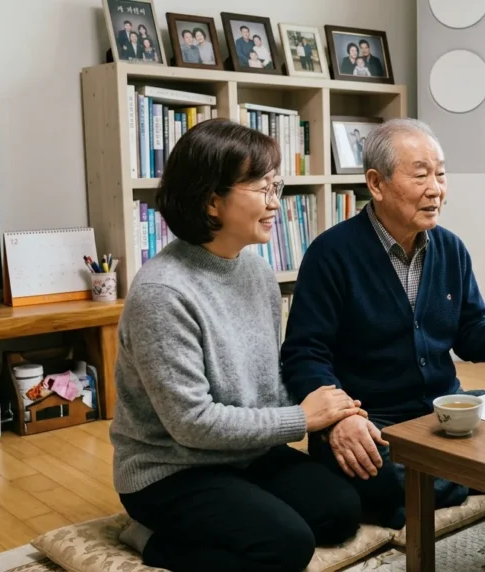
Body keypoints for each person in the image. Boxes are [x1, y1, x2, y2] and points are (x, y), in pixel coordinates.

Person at [281, 118, 485, 530]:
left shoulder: (450, 248)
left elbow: (469, 336)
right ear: (376, 183)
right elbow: (303, 355)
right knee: (378, 471)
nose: (435, 189)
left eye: (440, 174)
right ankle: (478, 477)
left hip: (444, 410)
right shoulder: (331, 254)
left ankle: (435, 484)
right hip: (370, 420)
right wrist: (341, 419)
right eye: (420, 175)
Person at [110, 119, 364, 572]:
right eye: (262, 188)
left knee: (341, 511)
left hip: (245, 453)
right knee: (287, 546)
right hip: (170, 470)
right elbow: (191, 425)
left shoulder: (257, 272)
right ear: (212, 201)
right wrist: (302, 418)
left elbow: (268, 380)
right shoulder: (162, 294)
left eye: (275, 186)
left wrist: (334, 409)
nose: (274, 202)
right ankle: (149, 540)